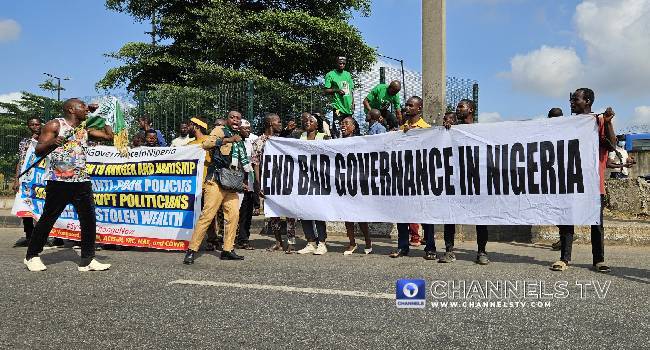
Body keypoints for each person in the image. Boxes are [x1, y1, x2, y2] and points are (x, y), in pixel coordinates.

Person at [24, 98, 114, 272]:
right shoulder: (55, 125)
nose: (85, 109)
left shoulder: (84, 128)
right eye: (82, 106)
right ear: (71, 109)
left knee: (89, 220)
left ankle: (88, 259)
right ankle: (32, 256)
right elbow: (39, 149)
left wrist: (105, 117)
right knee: (49, 218)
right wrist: (52, 142)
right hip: (59, 181)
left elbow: (109, 136)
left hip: (82, 181)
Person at [550, 88, 616, 273]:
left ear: (587, 101)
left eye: (575, 99)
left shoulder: (598, 121)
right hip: (570, 181)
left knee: (596, 224)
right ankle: (564, 258)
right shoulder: (568, 124)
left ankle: (598, 260)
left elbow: (611, 144)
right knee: (566, 221)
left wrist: (608, 124)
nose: (571, 102)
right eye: (571, 99)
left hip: (593, 183)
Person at [183, 110, 250, 264]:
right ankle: (192, 250)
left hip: (231, 183)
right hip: (216, 180)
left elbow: (239, 161)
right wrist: (227, 140)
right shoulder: (220, 131)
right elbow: (206, 144)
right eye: (232, 117)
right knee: (207, 215)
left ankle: (227, 249)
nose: (235, 120)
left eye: (238, 118)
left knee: (233, 216)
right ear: (227, 119)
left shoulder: (239, 137)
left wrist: (243, 181)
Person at [441, 99, 490, 265]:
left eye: (461, 106)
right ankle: (449, 251)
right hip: (455, 180)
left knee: (481, 219)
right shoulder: (452, 130)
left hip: (477, 180)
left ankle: (482, 252)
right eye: (457, 107)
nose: (457, 109)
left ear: (471, 109)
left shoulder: (480, 131)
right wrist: (446, 129)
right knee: (450, 216)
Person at [388, 96, 437, 259]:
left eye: (411, 105)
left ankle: (430, 247)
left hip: (422, 178)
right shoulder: (401, 128)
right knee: (402, 213)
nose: (406, 108)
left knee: (426, 214)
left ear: (419, 108)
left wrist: (413, 134)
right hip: (403, 177)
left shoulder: (427, 129)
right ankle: (403, 246)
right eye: (406, 105)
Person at [251, 113, 298, 252]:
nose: (280, 123)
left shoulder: (283, 140)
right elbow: (256, 164)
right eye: (278, 121)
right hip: (269, 182)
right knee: (273, 213)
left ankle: (291, 241)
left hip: (285, 181)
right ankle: (278, 242)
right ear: (270, 123)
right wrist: (258, 184)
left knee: (290, 213)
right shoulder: (259, 142)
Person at [296, 114, 330, 255]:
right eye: (306, 120)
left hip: (319, 180)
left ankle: (322, 243)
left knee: (318, 211)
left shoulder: (324, 137)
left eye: (311, 121)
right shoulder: (300, 137)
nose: (307, 122)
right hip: (304, 178)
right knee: (305, 212)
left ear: (317, 125)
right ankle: (310, 242)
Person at [186, 116, 220, 251]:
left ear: (196, 126)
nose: (188, 127)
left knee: (208, 215)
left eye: (190, 125)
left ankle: (212, 239)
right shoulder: (189, 146)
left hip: (207, 184)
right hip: (192, 186)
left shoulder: (208, 141)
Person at [340, 117, 373, 255]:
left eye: (346, 124)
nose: (343, 126)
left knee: (360, 216)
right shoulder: (337, 142)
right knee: (347, 215)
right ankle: (352, 243)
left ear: (354, 127)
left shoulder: (361, 141)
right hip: (343, 182)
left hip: (358, 182)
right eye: (341, 124)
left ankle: (368, 242)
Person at [12, 117, 43, 247]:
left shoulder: (47, 140)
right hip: (27, 179)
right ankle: (29, 236)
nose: (35, 126)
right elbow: (21, 161)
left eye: (37, 124)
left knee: (44, 207)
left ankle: (51, 237)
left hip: (43, 178)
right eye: (32, 124)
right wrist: (16, 179)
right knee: (25, 206)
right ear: (28, 126)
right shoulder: (25, 142)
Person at [235, 119, 259, 250]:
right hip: (235, 182)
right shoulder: (234, 141)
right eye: (245, 128)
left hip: (249, 182)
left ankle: (244, 239)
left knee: (247, 214)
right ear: (239, 129)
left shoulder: (254, 140)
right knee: (235, 213)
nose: (248, 130)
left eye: (249, 128)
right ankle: (232, 239)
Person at [324, 56, 355, 138]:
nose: (342, 65)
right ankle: (336, 144)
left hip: (348, 107)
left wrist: (353, 102)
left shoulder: (348, 74)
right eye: (340, 63)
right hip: (337, 107)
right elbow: (326, 90)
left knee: (348, 128)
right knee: (337, 126)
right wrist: (337, 90)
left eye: (343, 63)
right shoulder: (330, 74)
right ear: (336, 63)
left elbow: (351, 90)